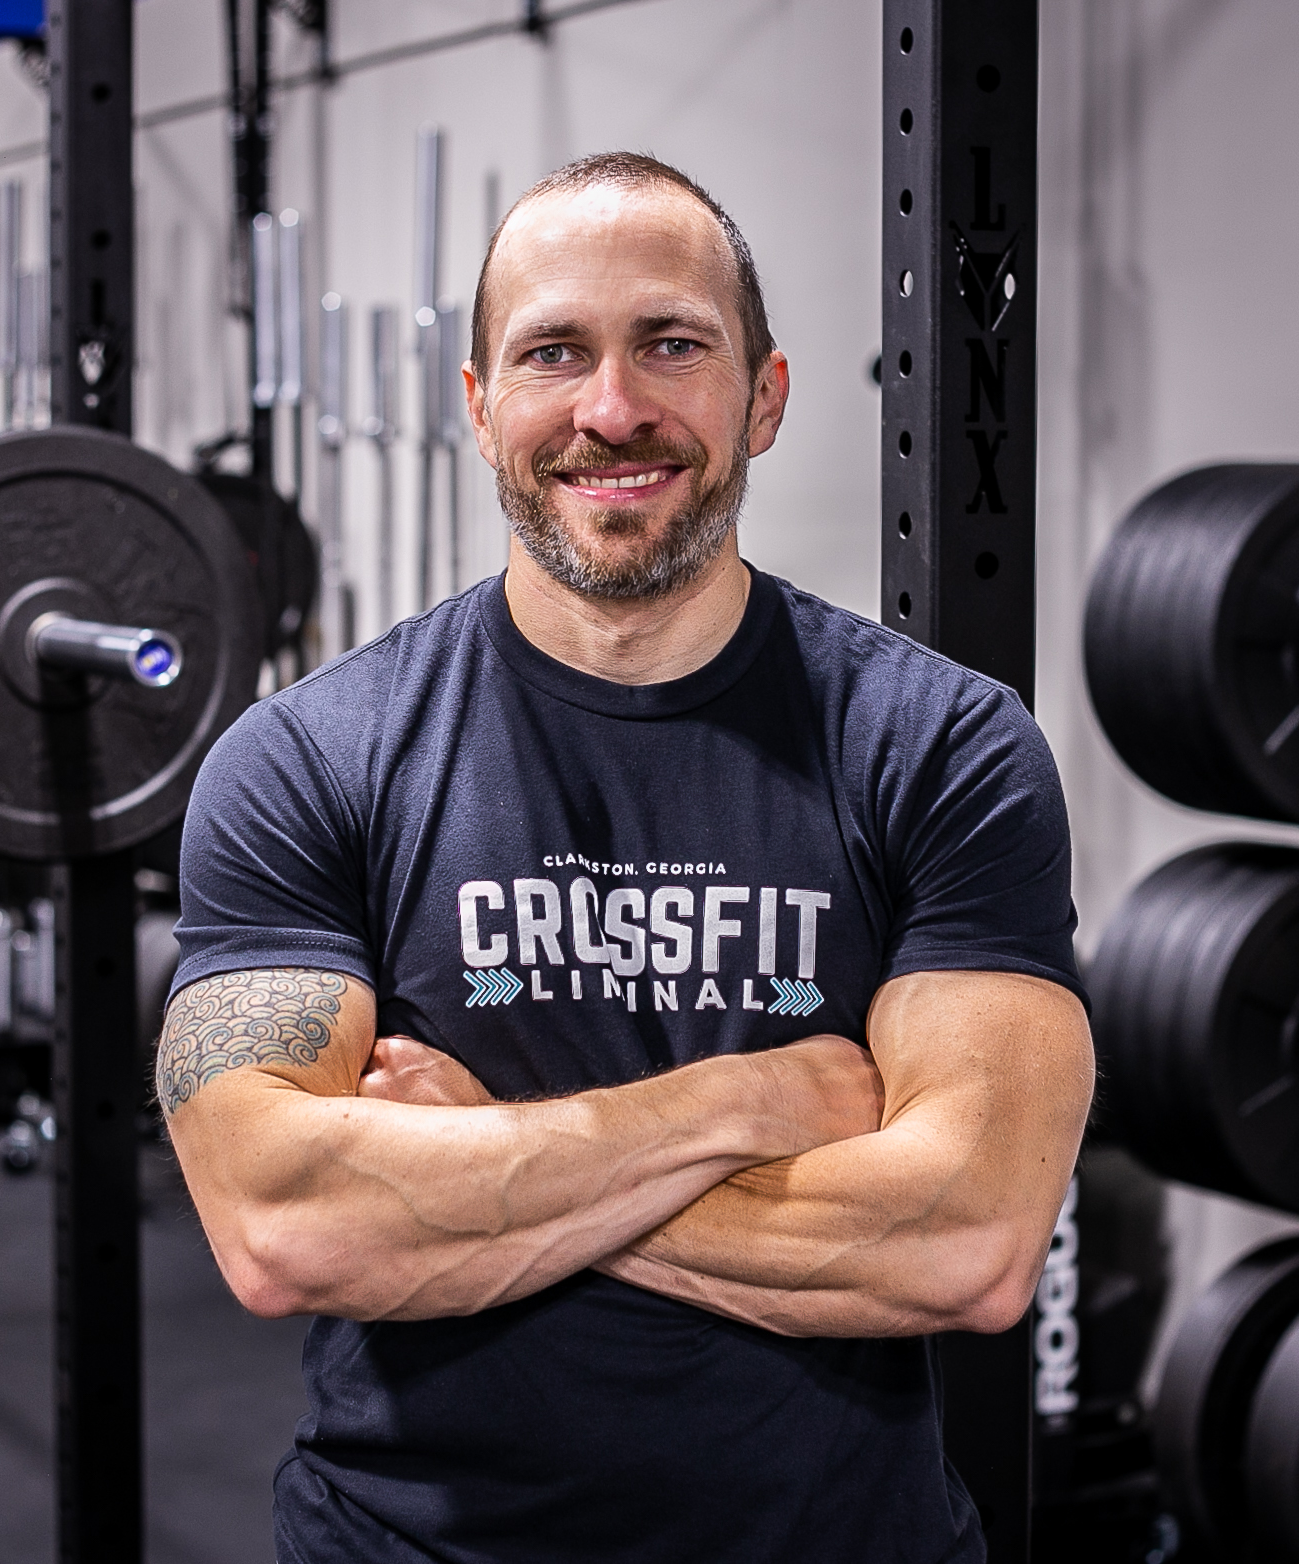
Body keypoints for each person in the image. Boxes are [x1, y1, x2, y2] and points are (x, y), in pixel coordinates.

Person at [158, 151, 1094, 1564]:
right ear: (480, 409)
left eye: (672, 343)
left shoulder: (941, 749)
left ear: (763, 396)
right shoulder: (305, 760)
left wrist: (467, 1156)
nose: (612, 409)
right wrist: (747, 1099)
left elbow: (967, 1242)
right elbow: (287, 1229)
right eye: (553, 354)